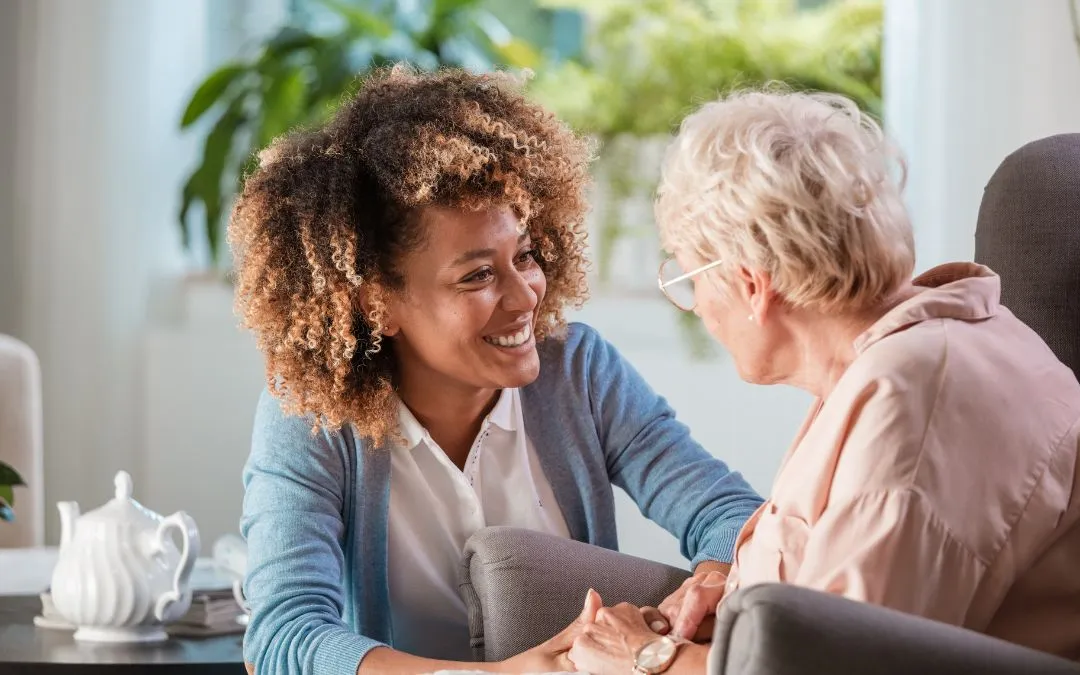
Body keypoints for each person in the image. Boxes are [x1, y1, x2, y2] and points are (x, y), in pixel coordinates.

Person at [231, 65, 763, 675]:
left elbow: (730, 514)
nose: (525, 296)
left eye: (526, 256)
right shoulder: (312, 419)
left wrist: (710, 583)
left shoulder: (581, 373)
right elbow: (283, 636)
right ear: (377, 302)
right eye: (478, 275)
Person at [566, 87, 1080, 675]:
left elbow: (841, 666)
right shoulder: (908, 356)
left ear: (751, 283)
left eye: (690, 279)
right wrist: (741, 606)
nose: (698, 309)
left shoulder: (913, 403)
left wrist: (648, 658)